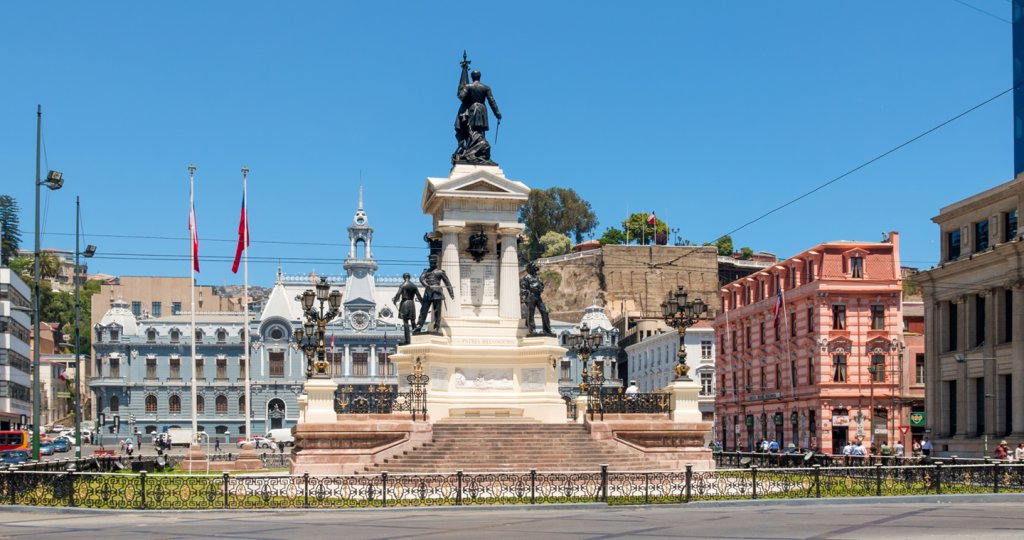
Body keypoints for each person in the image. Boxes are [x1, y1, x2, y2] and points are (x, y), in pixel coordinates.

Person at [453, 53, 502, 165]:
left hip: (472, 109)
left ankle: (473, 152)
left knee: (471, 130)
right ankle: (477, 152)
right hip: (482, 109)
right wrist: (497, 113)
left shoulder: (469, 86)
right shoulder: (485, 87)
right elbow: (492, 102)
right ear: (479, 77)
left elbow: (461, 97)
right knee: (480, 131)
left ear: (472, 77)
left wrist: (464, 90)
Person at [415, 255, 455, 334]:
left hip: (437, 293)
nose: (431, 263)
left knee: (437, 311)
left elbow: (447, 283)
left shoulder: (440, 272)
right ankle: (419, 326)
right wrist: (426, 285)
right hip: (428, 293)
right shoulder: (426, 271)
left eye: (433, 262)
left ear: (436, 262)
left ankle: (437, 326)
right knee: (423, 310)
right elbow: (421, 278)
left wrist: (451, 293)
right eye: (430, 262)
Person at [521, 262, 553, 335]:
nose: (535, 269)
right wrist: (529, 291)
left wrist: (540, 287)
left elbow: (542, 285)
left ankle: (547, 330)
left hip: (538, 296)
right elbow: (523, 289)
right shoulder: (526, 277)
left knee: (544, 311)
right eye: (534, 267)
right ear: (530, 268)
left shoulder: (537, 277)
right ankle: (532, 330)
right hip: (531, 296)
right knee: (531, 314)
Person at [393, 273, 423, 344]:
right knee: (413, 322)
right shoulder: (414, 286)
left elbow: (398, 294)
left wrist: (395, 301)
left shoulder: (403, 285)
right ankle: (416, 339)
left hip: (405, 303)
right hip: (412, 304)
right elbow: (419, 296)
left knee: (405, 323)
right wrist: (423, 304)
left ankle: (407, 341)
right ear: (409, 277)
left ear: (404, 278)